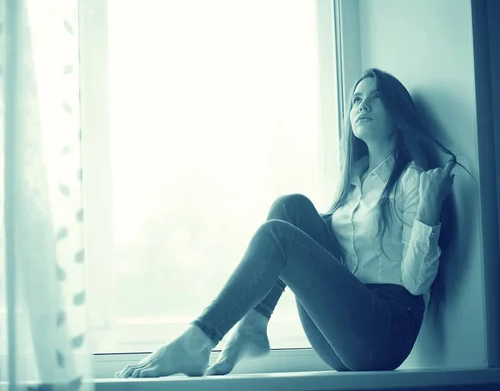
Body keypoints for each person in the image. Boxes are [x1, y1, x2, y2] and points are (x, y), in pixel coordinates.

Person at [116, 68, 462, 378]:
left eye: (376, 98)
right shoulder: (352, 185)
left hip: (384, 332)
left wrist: (428, 213)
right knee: (290, 207)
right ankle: (254, 323)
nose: (363, 106)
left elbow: (416, 285)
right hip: (341, 335)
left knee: (278, 236)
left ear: (399, 116)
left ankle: (198, 339)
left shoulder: (412, 181)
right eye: (357, 99)